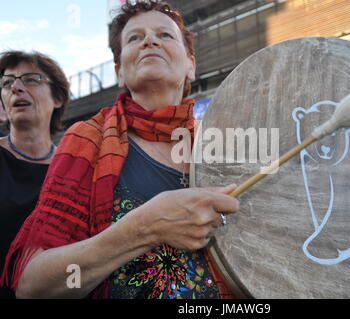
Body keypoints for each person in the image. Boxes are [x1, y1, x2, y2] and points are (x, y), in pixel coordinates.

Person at [1, 0, 239, 299]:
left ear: (191, 64)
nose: (150, 40)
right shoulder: (86, 140)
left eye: (164, 35)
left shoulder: (224, 150)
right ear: (120, 73)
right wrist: (144, 228)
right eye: (134, 38)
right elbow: (33, 285)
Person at [0, 51, 70, 298]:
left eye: (30, 79)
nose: (16, 87)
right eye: (7, 83)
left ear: (58, 97)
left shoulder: (74, 168)